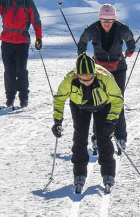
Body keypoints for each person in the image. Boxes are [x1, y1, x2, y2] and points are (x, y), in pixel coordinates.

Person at [51, 53, 123, 192]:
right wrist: (57, 121)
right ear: (77, 75)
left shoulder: (105, 78)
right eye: (82, 79)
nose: (86, 82)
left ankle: (108, 173)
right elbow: (59, 99)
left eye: (90, 78)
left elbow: (117, 99)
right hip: (79, 107)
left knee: (104, 138)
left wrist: (111, 121)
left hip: (103, 105)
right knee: (79, 137)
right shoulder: (69, 80)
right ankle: (79, 174)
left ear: (95, 73)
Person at [77, 4, 135, 152]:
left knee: (117, 100)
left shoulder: (122, 28)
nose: (106, 23)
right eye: (103, 20)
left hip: (118, 69)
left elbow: (130, 40)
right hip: (99, 70)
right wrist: (81, 57)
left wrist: (130, 50)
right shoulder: (93, 29)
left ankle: (121, 137)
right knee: (99, 101)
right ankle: (97, 138)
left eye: (109, 20)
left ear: (114, 20)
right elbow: (82, 41)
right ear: (99, 19)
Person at [0, 0, 42, 108]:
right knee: (9, 71)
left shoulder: (27, 1)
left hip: (22, 41)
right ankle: (10, 98)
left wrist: (39, 38)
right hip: (6, 41)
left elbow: (36, 20)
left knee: (21, 70)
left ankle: (24, 98)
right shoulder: (3, 0)